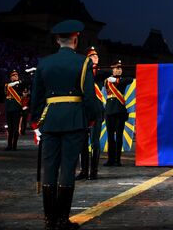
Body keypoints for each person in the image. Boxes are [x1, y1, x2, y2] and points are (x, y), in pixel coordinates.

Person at [30, 19, 98, 230]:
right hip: (74, 119)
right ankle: (62, 219)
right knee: (67, 168)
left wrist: (35, 120)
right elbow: (88, 95)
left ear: (57, 40)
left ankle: (49, 219)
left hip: (50, 120)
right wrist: (92, 117)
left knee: (49, 168)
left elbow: (37, 97)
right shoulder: (83, 63)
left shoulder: (44, 63)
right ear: (76, 39)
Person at [76, 46, 106, 180]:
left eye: (97, 56)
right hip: (83, 110)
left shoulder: (99, 73)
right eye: (92, 56)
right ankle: (83, 171)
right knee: (82, 142)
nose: (96, 57)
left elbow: (108, 72)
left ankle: (93, 171)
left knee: (94, 141)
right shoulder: (81, 72)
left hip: (97, 111)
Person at [103, 60, 133, 167]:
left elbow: (130, 80)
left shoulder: (123, 80)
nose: (118, 70)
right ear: (112, 69)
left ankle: (117, 160)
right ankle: (110, 159)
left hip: (120, 111)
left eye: (120, 68)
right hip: (109, 111)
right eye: (116, 68)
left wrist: (116, 79)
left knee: (119, 136)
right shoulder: (107, 80)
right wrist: (111, 76)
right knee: (110, 136)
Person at [4, 70, 22, 151]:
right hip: (9, 109)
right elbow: (6, 90)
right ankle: (9, 145)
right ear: (11, 77)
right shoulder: (7, 85)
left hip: (16, 109)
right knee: (10, 128)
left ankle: (14, 146)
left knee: (15, 128)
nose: (16, 77)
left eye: (17, 76)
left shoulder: (20, 85)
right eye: (14, 76)